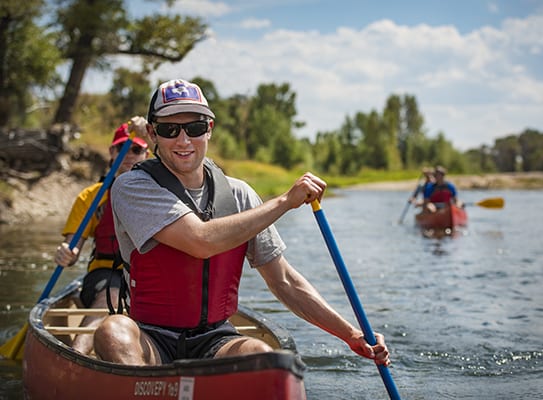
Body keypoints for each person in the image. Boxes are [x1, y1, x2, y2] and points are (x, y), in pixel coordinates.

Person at [93, 79, 391, 368]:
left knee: (261, 354)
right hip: (150, 337)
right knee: (112, 330)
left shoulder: (239, 194)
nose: (183, 141)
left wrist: (350, 334)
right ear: (152, 133)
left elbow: (283, 280)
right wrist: (284, 201)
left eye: (195, 128)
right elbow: (201, 241)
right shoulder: (131, 187)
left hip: (215, 338)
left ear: (209, 129)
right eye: (170, 129)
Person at [54, 121, 149, 354]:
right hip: (105, 274)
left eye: (136, 150)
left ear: (147, 154)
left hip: (146, 276)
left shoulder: (157, 193)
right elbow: (73, 247)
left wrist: (149, 132)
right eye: (122, 149)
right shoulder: (90, 197)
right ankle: (77, 355)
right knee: (113, 292)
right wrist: (67, 252)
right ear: (112, 152)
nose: (128, 155)